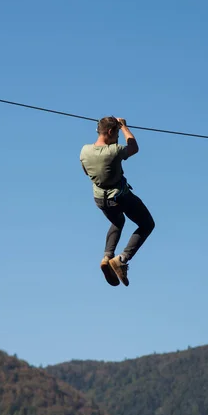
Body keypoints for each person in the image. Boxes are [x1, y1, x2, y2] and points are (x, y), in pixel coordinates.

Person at [80, 116, 155, 287]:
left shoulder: (84, 151)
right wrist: (124, 127)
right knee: (147, 224)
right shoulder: (114, 150)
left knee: (118, 221)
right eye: (117, 135)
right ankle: (121, 259)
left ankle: (107, 257)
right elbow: (134, 147)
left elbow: (86, 172)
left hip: (100, 199)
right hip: (120, 196)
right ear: (110, 131)